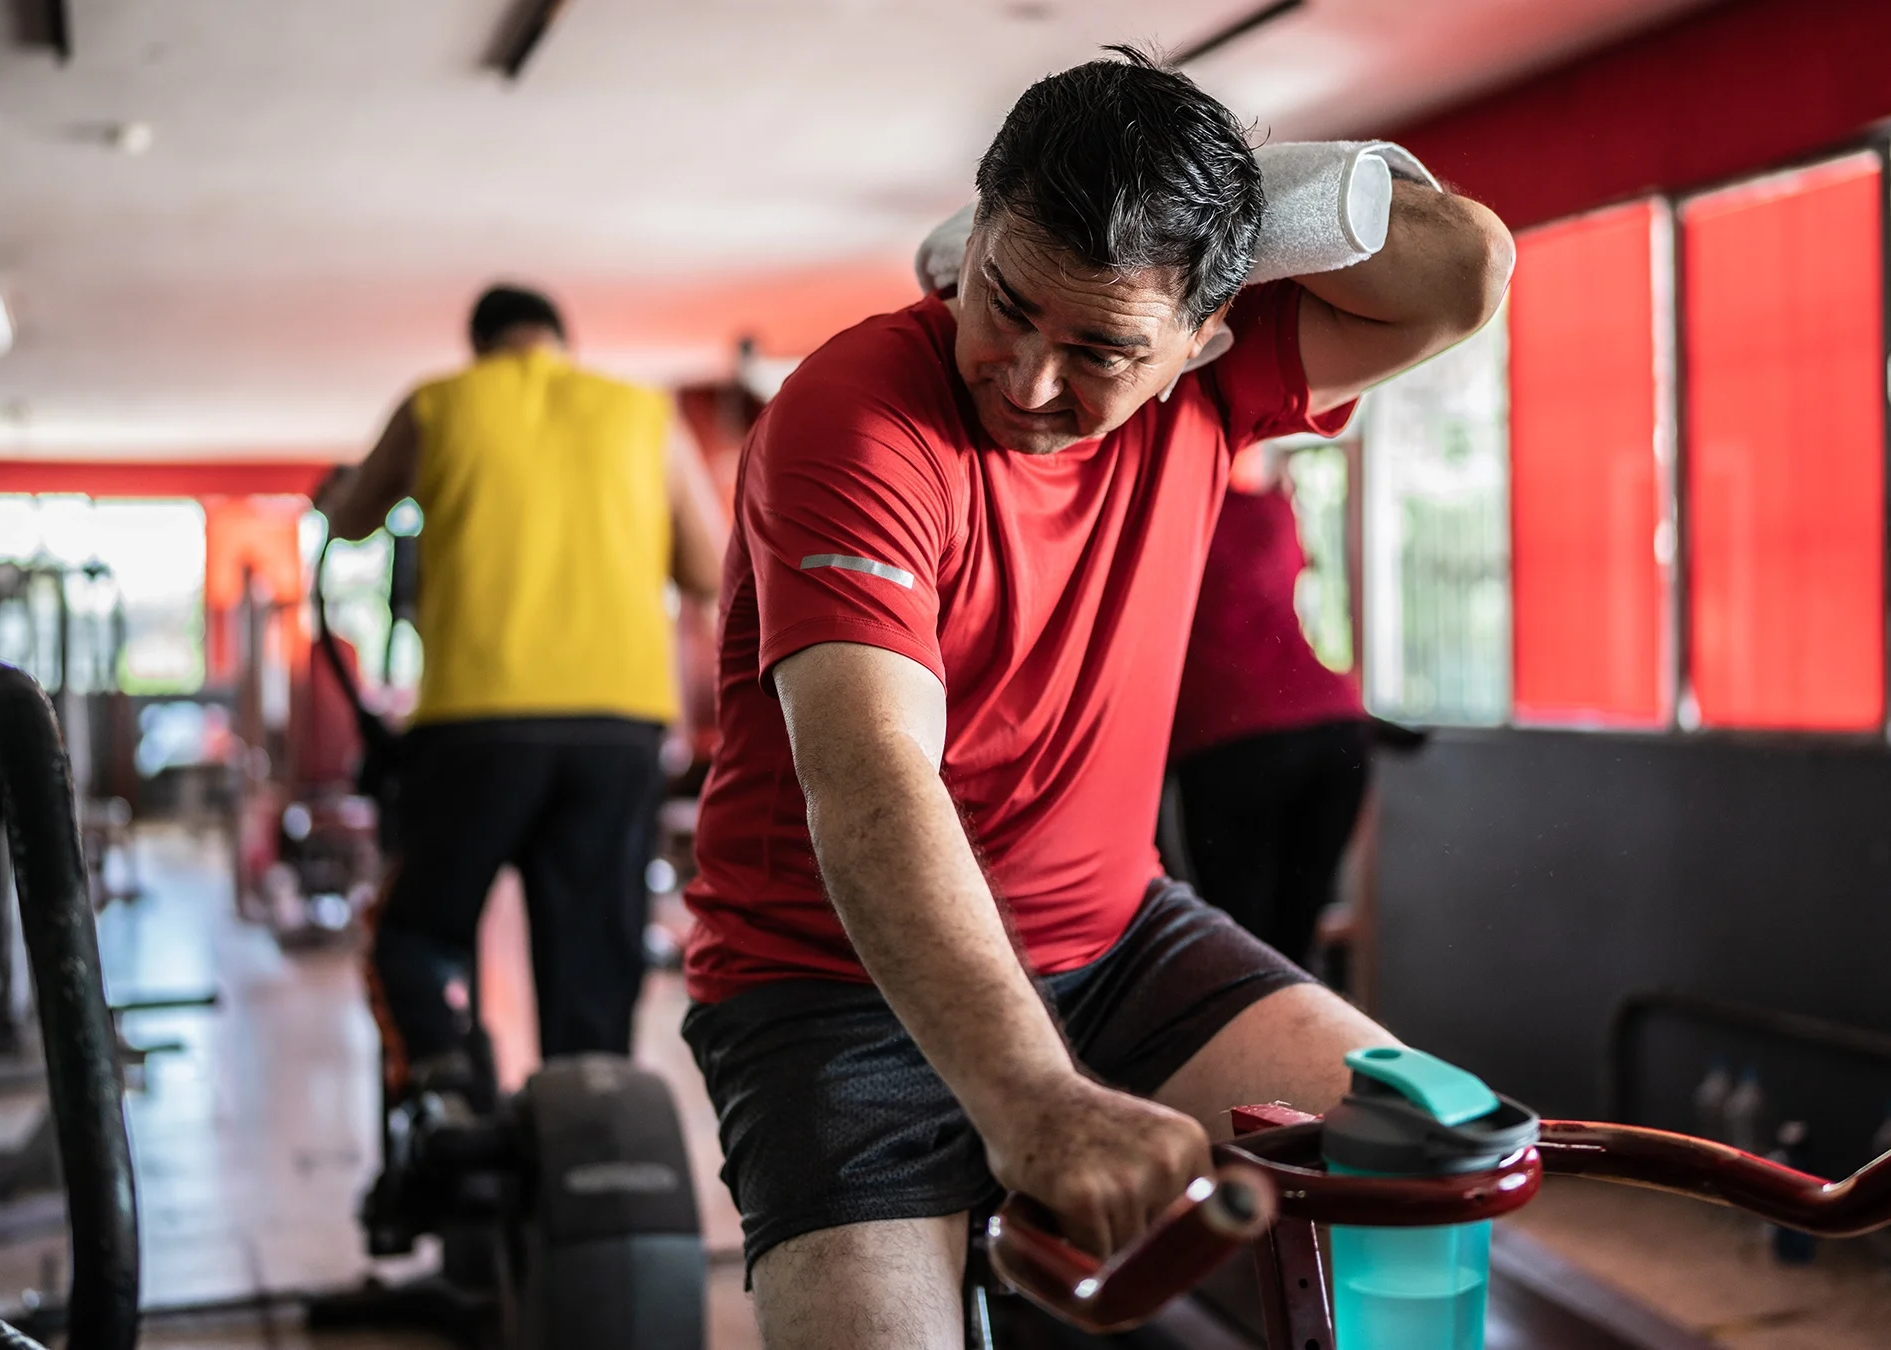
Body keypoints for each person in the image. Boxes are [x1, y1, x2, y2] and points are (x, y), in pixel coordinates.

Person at [680, 49, 1512, 1348]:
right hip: (830, 979)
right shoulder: (854, 416)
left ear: (1204, 341)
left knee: (1436, 1148)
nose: (1024, 379)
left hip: (1115, 937)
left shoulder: (1211, 395)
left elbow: (1466, 272)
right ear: (979, 238)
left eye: (1102, 347)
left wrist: (1228, 196)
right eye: (1004, 300)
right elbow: (873, 777)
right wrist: (1030, 1096)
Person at [320, 284, 724, 1103]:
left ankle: (452, 1095)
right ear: (558, 342)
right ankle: (591, 1142)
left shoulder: (441, 401)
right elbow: (709, 570)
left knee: (416, 935)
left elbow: (350, 521)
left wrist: (338, 494)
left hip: (476, 725)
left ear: (482, 346)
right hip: (618, 731)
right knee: (593, 965)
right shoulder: (643, 415)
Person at [1168, 440, 1391, 971]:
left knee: (1238, 937)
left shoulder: (1168, 523)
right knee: (1293, 938)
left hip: (1232, 738)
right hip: (1335, 726)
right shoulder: (1272, 507)